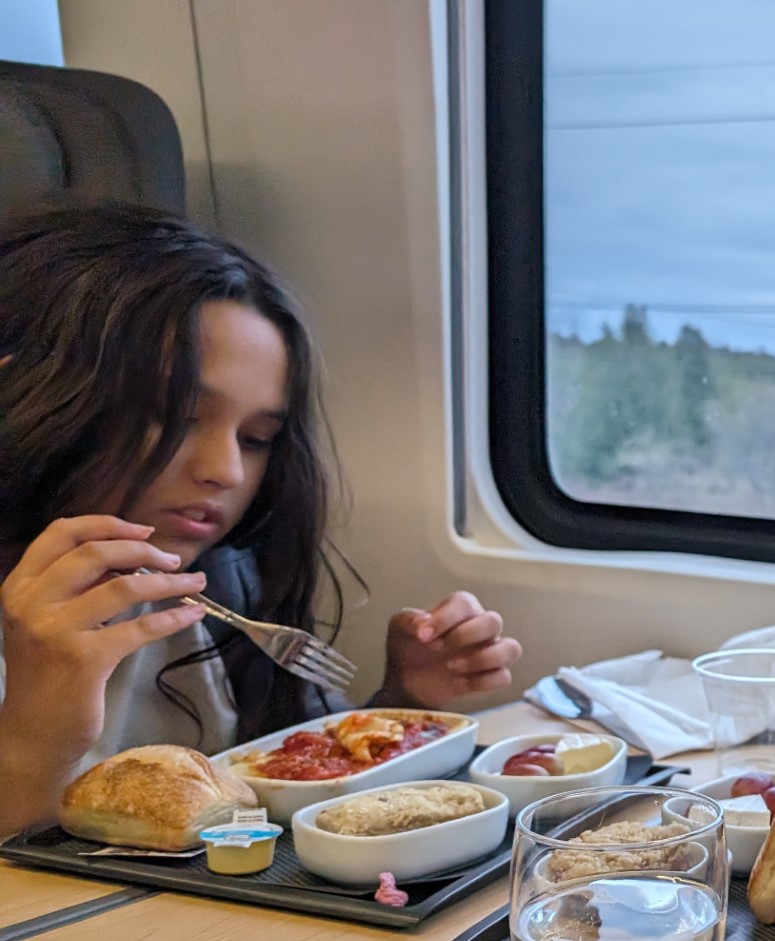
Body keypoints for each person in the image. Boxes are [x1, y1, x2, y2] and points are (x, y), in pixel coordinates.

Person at [0, 204, 522, 837]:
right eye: (181, 416)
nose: (227, 471)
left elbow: (277, 788)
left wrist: (404, 706)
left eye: (255, 438)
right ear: (30, 394)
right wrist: (32, 740)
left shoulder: (221, 582)